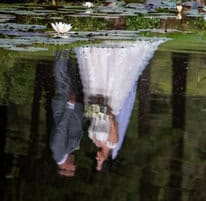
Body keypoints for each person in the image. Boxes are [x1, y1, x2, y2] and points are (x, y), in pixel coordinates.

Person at [75, 39, 165, 171]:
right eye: (99, 162)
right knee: (112, 76)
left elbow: (92, 120)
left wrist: (92, 108)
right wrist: (101, 109)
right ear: (106, 160)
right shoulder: (112, 142)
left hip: (95, 101)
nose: (96, 159)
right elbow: (112, 120)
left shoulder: (95, 142)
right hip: (109, 103)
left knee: (95, 75)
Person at [49, 50, 84, 177]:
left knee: (62, 75)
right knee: (68, 75)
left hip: (65, 104)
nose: (74, 166)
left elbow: (62, 128)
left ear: (65, 169)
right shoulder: (65, 152)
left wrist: (70, 106)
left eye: (72, 169)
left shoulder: (58, 152)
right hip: (70, 106)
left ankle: (61, 47)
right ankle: (66, 48)